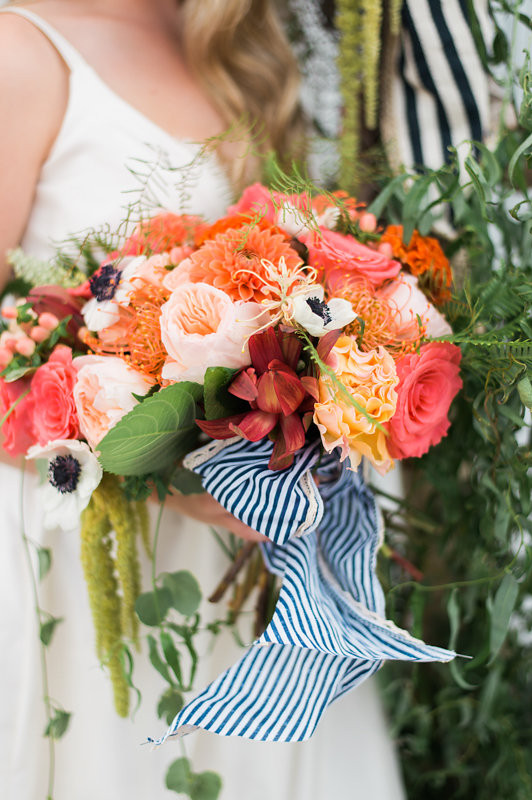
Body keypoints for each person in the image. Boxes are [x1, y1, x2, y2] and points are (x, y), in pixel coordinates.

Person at [0, 2, 406, 798]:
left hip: (247, 556)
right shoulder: (19, 48)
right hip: (82, 550)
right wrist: (157, 472)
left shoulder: (235, 42)